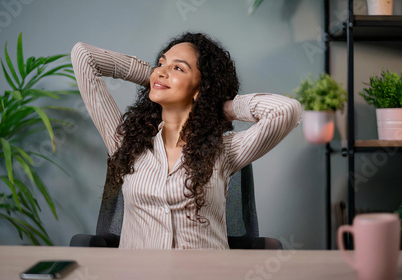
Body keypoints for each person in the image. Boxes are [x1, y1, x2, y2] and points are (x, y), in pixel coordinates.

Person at [71, 32, 302, 249]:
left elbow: (287, 110)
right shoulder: (126, 142)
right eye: (161, 63)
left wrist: (220, 105)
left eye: (178, 68)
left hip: (206, 276)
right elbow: (84, 56)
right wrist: (153, 77)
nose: (162, 71)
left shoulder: (224, 151)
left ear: (200, 88)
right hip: (138, 276)